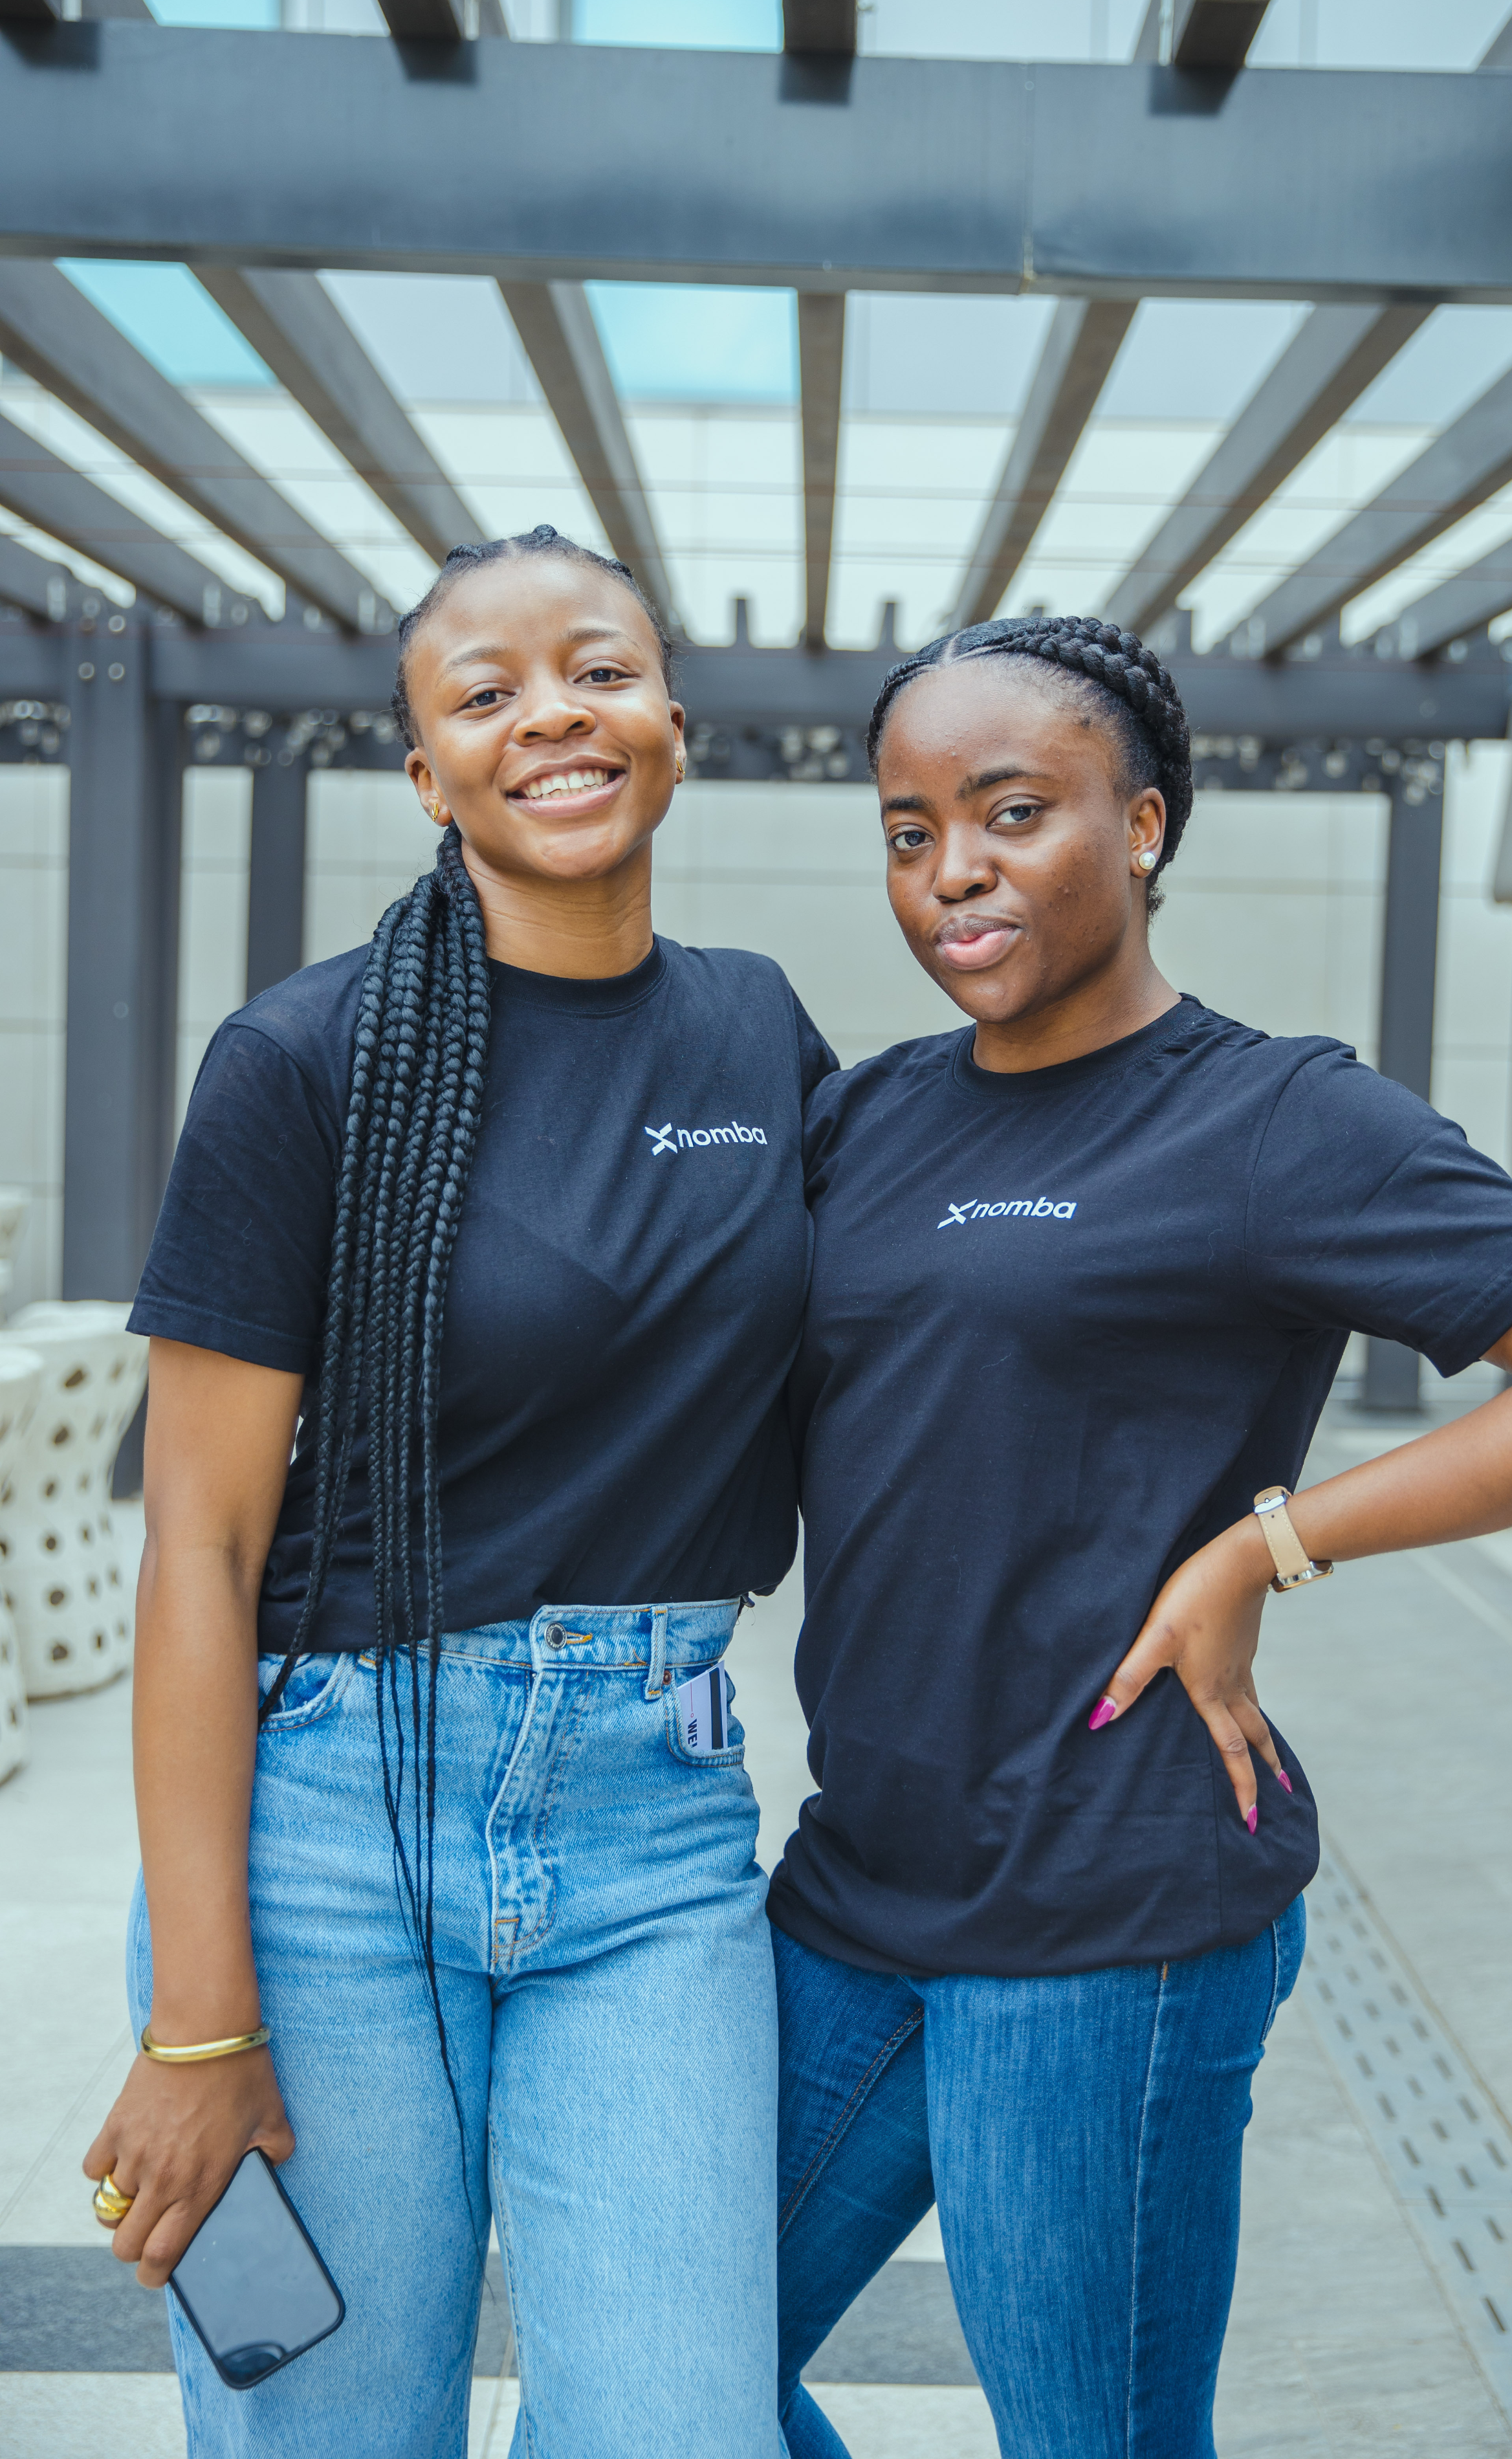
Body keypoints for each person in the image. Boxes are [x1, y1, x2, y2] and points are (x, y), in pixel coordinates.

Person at [771, 614, 1512, 2459]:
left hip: (1107, 1916)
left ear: (1140, 825)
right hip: (856, 1887)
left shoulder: (1275, 1117)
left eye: (1010, 811)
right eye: (908, 829)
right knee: (661, 2380)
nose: (953, 871)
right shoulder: (872, 1117)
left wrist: (1264, 1549)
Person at [82, 525, 836, 2458]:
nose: (552, 719)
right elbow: (202, 1552)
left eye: (596, 669)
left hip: (654, 1835)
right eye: (483, 695)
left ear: (674, 714)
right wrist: (199, 2017)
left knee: (681, 2432)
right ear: (428, 774)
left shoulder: (761, 1033)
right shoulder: (301, 1061)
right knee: (328, 2428)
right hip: (331, 1834)